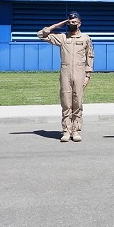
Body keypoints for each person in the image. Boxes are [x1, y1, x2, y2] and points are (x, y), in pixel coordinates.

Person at [38, 11, 94, 142]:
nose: (72, 24)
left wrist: (88, 75)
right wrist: (59, 24)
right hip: (65, 72)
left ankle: (76, 130)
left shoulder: (85, 38)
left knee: (78, 102)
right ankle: (66, 131)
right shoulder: (63, 38)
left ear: (79, 24)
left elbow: (90, 56)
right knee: (66, 102)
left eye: (74, 22)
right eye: (70, 22)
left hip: (80, 73)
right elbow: (41, 34)